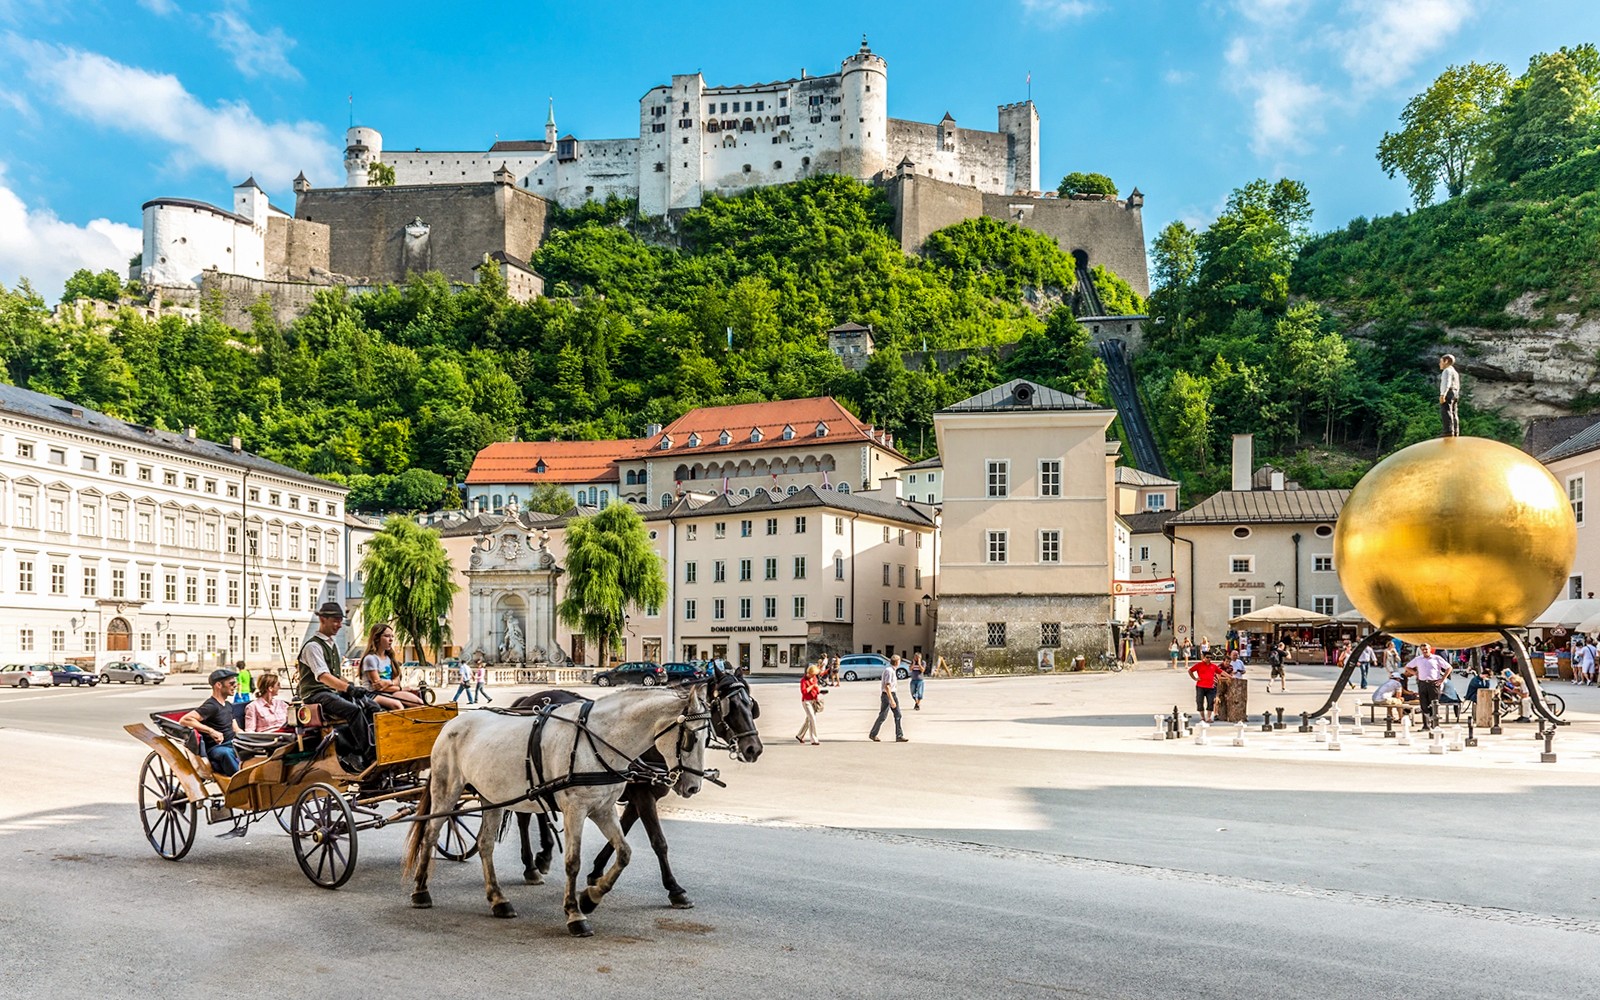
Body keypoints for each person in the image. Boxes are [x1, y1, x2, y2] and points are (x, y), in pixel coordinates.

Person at [296, 602, 375, 771]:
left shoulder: (331, 644)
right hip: (316, 694)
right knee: (352, 710)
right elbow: (323, 676)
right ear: (322, 619)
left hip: (329, 692)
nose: (339, 625)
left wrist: (351, 686)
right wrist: (348, 689)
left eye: (340, 620)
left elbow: (335, 674)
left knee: (371, 705)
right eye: (336, 620)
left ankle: (376, 742)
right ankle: (369, 755)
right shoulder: (313, 646)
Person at [180, 667, 243, 776]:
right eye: (231, 683)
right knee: (226, 753)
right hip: (217, 748)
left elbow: (236, 728)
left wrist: (251, 737)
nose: (235, 686)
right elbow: (185, 719)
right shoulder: (211, 706)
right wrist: (211, 731)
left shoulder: (228, 705)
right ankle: (240, 782)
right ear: (219, 685)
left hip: (232, 743)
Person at [360, 623, 423, 710]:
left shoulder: (389, 658)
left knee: (419, 702)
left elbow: (396, 680)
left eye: (392, 636)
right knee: (397, 705)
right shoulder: (370, 659)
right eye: (387, 636)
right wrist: (397, 686)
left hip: (390, 691)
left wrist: (389, 683)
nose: (391, 639)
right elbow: (378, 687)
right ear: (376, 638)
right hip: (372, 694)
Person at [1405, 642, 1451, 729]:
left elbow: (1449, 668)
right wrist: (1415, 673)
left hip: (1433, 683)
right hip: (1422, 683)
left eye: (1426, 649)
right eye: (1423, 650)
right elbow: (1407, 667)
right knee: (1423, 703)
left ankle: (1435, 724)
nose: (1425, 651)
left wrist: (1442, 679)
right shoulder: (1418, 659)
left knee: (1434, 703)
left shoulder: (1436, 658)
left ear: (1430, 649)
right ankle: (1425, 724)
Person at [868, 654, 907, 742]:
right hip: (888, 695)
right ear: (897, 662)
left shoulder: (892, 670)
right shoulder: (889, 671)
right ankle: (873, 734)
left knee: (898, 715)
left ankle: (899, 735)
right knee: (883, 716)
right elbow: (887, 686)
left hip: (893, 694)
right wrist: (891, 700)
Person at [1188, 653, 1223, 723]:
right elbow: (1190, 670)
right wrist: (1194, 678)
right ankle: (1202, 717)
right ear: (1204, 657)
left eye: (1210, 657)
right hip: (1200, 686)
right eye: (1207, 657)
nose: (1209, 659)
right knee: (1199, 701)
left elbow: (1221, 672)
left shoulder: (1213, 666)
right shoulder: (1199, 665)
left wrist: (1230, 677)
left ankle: (1209, 717)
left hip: (1210, 687)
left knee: (1210, 702)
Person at [795, 663, 822, 745]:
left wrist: (818, 690)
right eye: (813, 674)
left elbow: (816, 689)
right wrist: (812, 686)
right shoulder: (803, 680)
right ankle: (814, 739)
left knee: (808, 720)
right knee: (812, 719)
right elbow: (804, 692)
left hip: (813, 700)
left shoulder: (814, 678)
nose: (814, 676)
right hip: (806, 701)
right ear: (809, 673)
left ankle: (800, 735)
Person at [1439, 354, 1460, 437]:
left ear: (1446, 361)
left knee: (1446, 410)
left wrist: (1443, 394)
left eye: (1441, 362)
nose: (1439, 364)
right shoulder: (1455, 372)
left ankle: (1448, 431)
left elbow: (1446, 383)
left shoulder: (1447, 370)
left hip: (1449, 392)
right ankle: (1455, 431)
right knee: (1454, 412)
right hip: (1455, 393)